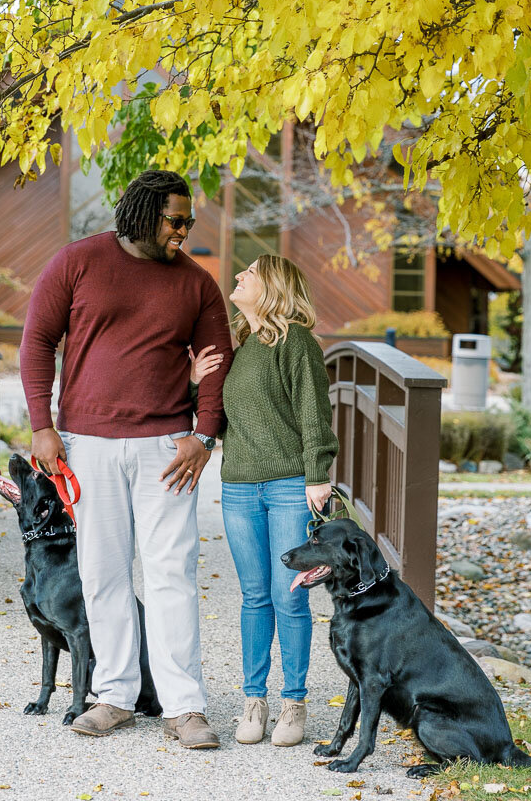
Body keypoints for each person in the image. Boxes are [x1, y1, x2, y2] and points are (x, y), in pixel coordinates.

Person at [19, 169, 233, 749]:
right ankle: (114, 695)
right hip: (87, 443)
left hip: (167, 448)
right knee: (102, 570)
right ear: (141, 214)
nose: (185, 231)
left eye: (189, 221)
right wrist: (42, 425)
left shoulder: (196, 283)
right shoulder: (78, 262)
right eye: (175, 220)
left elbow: (216, 356)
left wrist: (204, 435)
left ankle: (183, 706)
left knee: (172, 573)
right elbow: (37, 339)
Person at [192, 254, 338, 748]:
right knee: (255, 597)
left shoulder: (296, 342)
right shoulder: (246, 347)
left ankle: (293, 702)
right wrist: (195, 382)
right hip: (238, 488)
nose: (238, 276)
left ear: (273, 286)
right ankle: (254, 700)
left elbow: (314, 412)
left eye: (249, 273)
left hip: (289, 486)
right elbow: (230, 417)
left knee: (288, 596)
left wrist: (318, 476)